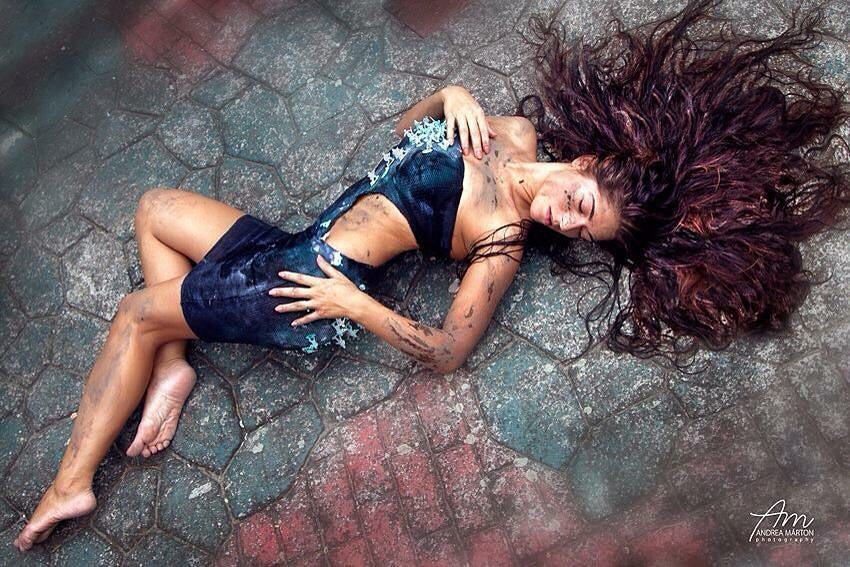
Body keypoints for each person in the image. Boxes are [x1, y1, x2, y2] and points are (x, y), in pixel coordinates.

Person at [14, 0, 848, 550]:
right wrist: (448, 94)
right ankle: (173, 369)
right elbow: (402, 136)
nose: (565, 220)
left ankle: (71, 483)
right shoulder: (512, 133)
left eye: (580, 230)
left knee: (135, 310)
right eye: (581, 203)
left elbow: (448, 350)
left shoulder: (502, 243)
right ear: (587, 162)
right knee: (155, 206)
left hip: (306, 289)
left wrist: (349, 303)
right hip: (298, 241)